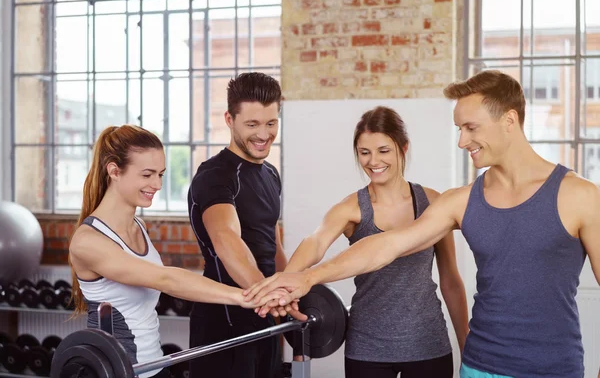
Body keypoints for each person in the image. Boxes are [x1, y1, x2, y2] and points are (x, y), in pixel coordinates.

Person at [245, 70, 600, 378]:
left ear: (509, 120)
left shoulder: (579, 197)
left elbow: (449, 280)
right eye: (459, 129)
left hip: (551, 369)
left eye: (471, 128)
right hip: (477, 365)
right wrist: (304, 277)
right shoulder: (460, 201)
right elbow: (387, 245)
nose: (462, 141)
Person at [275, 106, 468, 378]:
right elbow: (316, 242)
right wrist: (284, 283)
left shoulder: (433, 203)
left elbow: (450, 280)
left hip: (427, 343)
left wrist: (465, 344)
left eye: (383, 150)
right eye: (364, 153)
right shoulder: (352, 208)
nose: (373, 161)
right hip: (367, 347)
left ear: (403, 147)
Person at [68, 124, 271, 378]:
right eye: (147, 175)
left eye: (161, 175)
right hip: (117, 371)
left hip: (153, 366)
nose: (157, 184)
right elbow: (165, 278)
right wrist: (245, 296)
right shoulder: (88, 241)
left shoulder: (138, 227)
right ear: (114, 171)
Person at [186, 72, 298, 378]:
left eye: (271, 123)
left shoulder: (270, 174)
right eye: (252, 124)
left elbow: (272, 246)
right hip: (224, 322)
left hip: (264, 317)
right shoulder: (215, 176)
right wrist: (270, 296)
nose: (263, 134)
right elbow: (227, 241)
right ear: (229, 119)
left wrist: (290, 292)